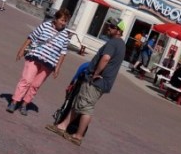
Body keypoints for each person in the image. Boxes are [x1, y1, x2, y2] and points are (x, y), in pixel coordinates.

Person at [46, 17, 127, 145]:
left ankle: (78, 136)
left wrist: (96, 73)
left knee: (86, 107)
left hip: (96, 81)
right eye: (109, 25)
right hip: (102, 82)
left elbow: (105, 58)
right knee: (80, 103)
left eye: (112, 27)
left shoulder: (113, 43)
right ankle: (62, 126)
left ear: (118, 30)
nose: (108, 28)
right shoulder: (121, 44)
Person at [7, 9, 73, 115]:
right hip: (35, 56)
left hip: (49, 63)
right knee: (26, 80)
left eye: (65, 21)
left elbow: (63, 52)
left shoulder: (65, 35)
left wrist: (57, 67)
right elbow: (31, 37)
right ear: (56, 19)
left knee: (35, 85)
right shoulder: (45, 25)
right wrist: (21, 50)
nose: (63, 23)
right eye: (62, 20)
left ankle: (25, 104)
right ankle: (14, 101)